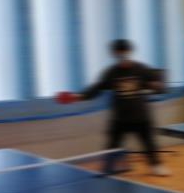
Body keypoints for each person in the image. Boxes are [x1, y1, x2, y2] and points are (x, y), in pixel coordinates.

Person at [67, 39, 169, 177]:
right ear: (114, 54)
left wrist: (157, 85)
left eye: (124, 52)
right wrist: (80, 96)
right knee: (112, 145)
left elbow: (160, 84)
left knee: (149, 143)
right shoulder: (111, 72)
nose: (122, 55)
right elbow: (97, 88)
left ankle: (156, 166)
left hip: (140, 116)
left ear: (129, 52)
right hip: (120, 118)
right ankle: (107, 168)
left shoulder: (141, 69)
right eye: (118, 53)